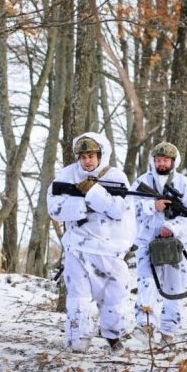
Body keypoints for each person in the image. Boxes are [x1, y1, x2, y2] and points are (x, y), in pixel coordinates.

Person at [47, 132, 136, 353]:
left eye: (92, 156)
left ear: (101, 155)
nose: (87, 161)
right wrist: (84, 206)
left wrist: (94, 192)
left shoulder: (116, 176)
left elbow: (119, 210)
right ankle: (77, 343)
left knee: (114, 298)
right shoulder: (66, 175)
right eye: (83, 156)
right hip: (77, 248)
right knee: (78, 298)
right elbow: (55, 208)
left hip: (109, 250)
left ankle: (114, 339)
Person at [130, 142, 187, 345]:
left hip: (176, 245)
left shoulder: (186, 185)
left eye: (165, 160)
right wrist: (152, 206)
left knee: (174, 288)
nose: (161, 163)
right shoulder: (141, 183)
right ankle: (145, 325)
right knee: (147, 284)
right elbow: (128, 209)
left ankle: (169, 331)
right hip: (147, 243)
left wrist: (173, 227)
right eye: (158, 160)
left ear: (173, 161)